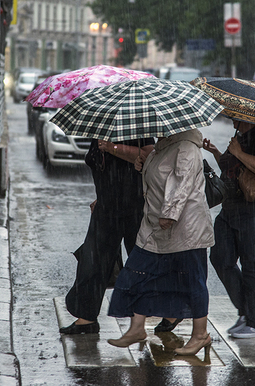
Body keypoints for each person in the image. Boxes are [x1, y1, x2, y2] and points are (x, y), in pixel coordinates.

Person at [107, 128, 215, 356]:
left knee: (192, 281)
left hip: (186, 229)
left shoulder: (186, 147)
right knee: (138, 273)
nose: (154, 129)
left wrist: (170, 213)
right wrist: (143, 166)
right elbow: (161, 179)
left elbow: (182, 183)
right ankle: (136, 329)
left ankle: (200, 335)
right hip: (155, 226)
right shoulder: (161, 147)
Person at [59, 138, 155, 335]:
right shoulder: (99, 130)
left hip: (134, 207)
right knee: (92, 262)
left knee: (141, 265)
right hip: (106, 207)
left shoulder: (134, 122)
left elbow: (148, 155)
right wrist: (103, 195)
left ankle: (164, 313)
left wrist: (112, 148)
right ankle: (86, 319)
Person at [203, 119, 255, 339]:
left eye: (233, 113)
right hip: (232, 207)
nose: (230, 117)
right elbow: (233, 170)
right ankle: (246, 310)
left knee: (252, 264)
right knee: (220, 257)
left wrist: (238, 152)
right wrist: (218, 152)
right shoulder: (238, 135)